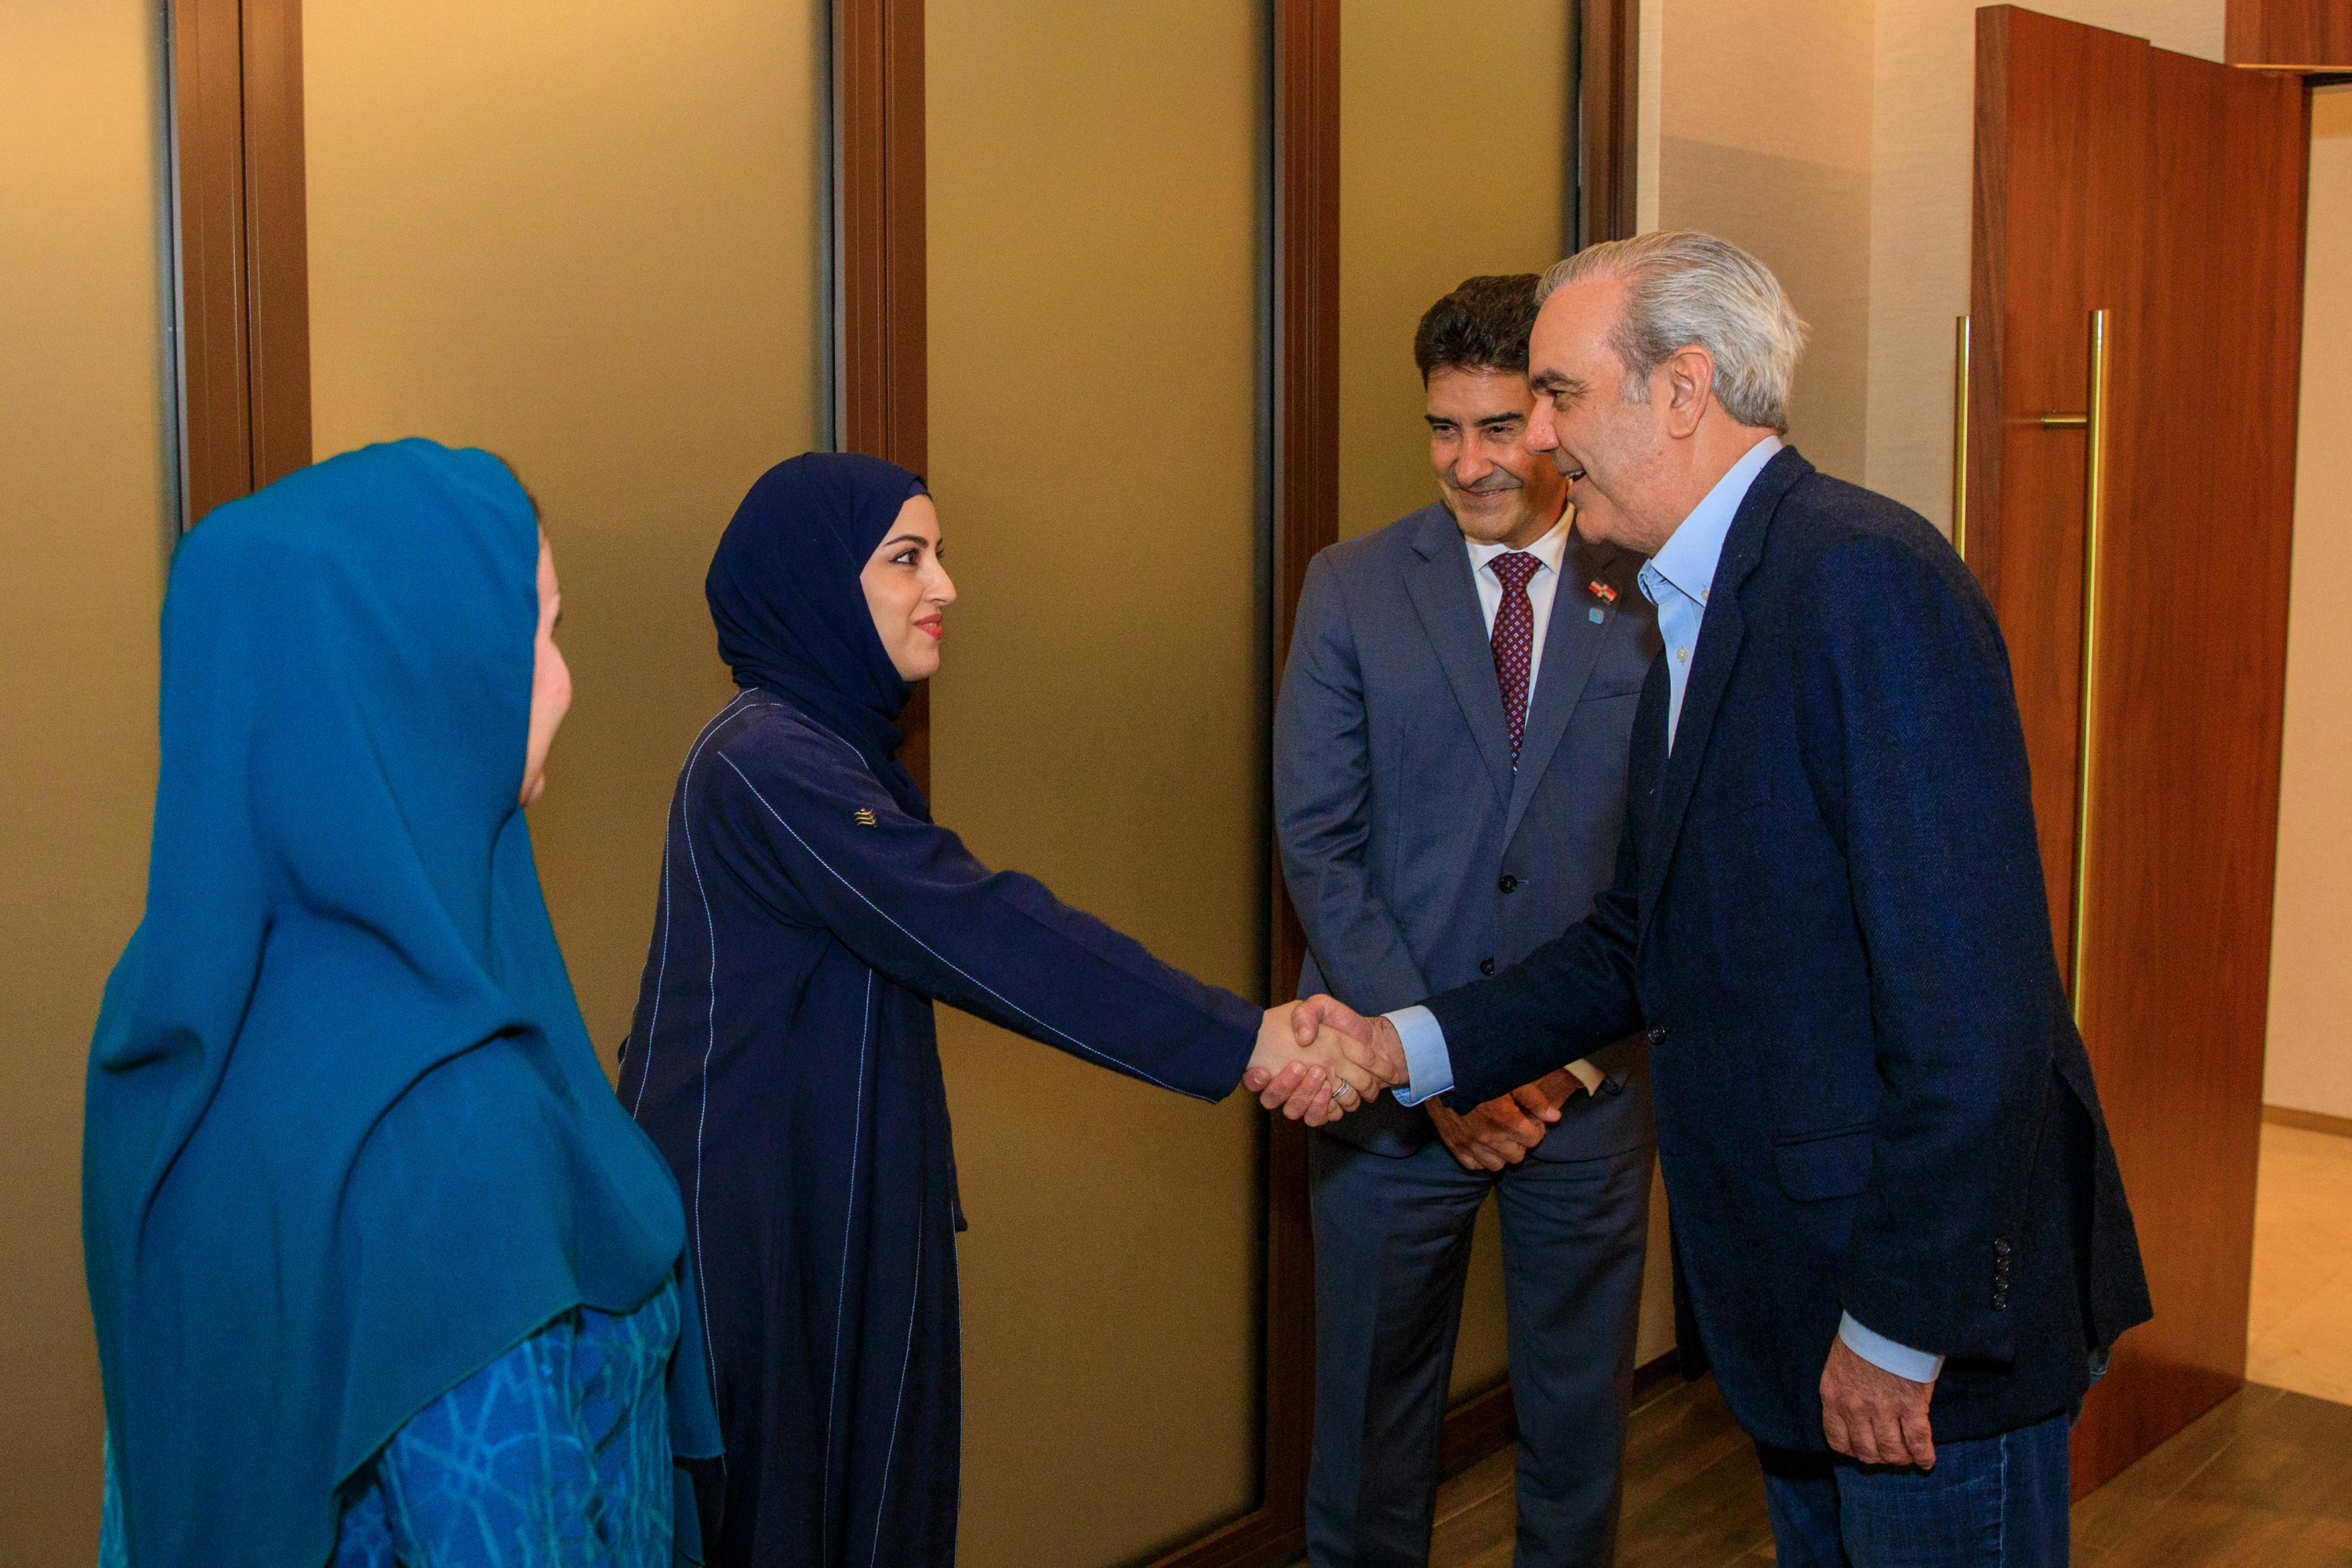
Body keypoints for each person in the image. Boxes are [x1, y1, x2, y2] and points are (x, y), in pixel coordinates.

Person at [1278, 234, 2152, 1568]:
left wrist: (1897, 1331)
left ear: (1682, 391)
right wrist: (1406, 1048)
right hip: (1809, 1316)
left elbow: (1979, 1015)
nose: (1542, 447)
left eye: (1560, 397)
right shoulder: (1693, 602)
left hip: (1914, 1341)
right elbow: (1641, 936)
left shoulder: (1861, 580)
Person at [617, 452, 1378, 1568]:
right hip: (760, 1232)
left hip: (819, 1200)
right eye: (906, 558)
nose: (946, 588)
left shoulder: (828, 748)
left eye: (939, 554)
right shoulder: (770, 760)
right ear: (818, 581)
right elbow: (985, 931)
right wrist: (1247, 1036)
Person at [84, 438, 721, 1568]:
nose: (564, 678)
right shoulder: (447, 1130)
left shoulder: (168, 1038)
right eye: (541, 629)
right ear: (422, 673)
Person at [1274, 274, 1660, 1567]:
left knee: (1575, 1446)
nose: (1471, 461)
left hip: (1583, 1099)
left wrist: (1551, 1061)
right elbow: (1320, 847)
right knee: (1367, 1456)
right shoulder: (1352, 587)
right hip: (1392, 1112)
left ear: (1554, 419)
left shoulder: (1651, 596)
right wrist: (1432, 1066)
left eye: (1500, 426)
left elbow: (1665, 864)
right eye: (1445, 428)